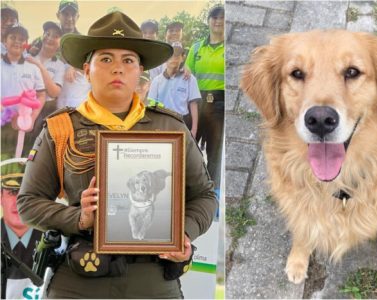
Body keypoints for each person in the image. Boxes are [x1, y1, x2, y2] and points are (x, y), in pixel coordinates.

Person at [17, 11, 216, 298]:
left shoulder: (170, 127)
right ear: (87, 69)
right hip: (80, 278)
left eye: (128, 60)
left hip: (154, 278)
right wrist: (78, 217)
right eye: (106, 59)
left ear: (140, 71)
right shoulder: (61, 128)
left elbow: (204, 196)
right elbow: (28, 202)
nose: (118, 69)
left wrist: (182, 233)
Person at [185, 5, 225, 194]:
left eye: (222, 18)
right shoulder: (196, 48)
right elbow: (187, 75)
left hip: (220, 103)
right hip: (197, 102)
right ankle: (187, 187)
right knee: (190, 147)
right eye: (214, 17)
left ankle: (212, 192)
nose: (217, 21)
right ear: (208, 21)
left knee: (214, 151)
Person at [1, 24, 46, 159]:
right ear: (4, 41)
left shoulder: (33, 68)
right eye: (12, 37)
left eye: (21, 39)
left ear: (26, 43)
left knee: (20, 163)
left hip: (23, 125)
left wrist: (31, 119)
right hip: (2, 123)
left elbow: (41, 95)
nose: (17, 41)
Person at [1, 170, 43, 300]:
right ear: (1, 197)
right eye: (12, 192)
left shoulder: (56, 242)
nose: (19, 201)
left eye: (25, 193)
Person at [25, 21, 65, 148]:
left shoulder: (60, 66)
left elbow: (54, 92)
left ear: (60, 43)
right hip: (24, 109)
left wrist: (39, 66)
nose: (50, 38)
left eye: (55, 36)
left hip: (47, 113)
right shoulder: (26, 57)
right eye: (47, 34)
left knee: (38, 151)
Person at [149, 42, 200, 138]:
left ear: (182, 58)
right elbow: (152, 105)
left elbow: (193, 104)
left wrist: (194, 130)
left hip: (183, 121)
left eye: (177, 56)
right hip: (162, 122)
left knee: (182, 150)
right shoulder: (157, 81)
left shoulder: (189, 79)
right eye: (171, 56)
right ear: (165, 58)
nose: (174, 59)